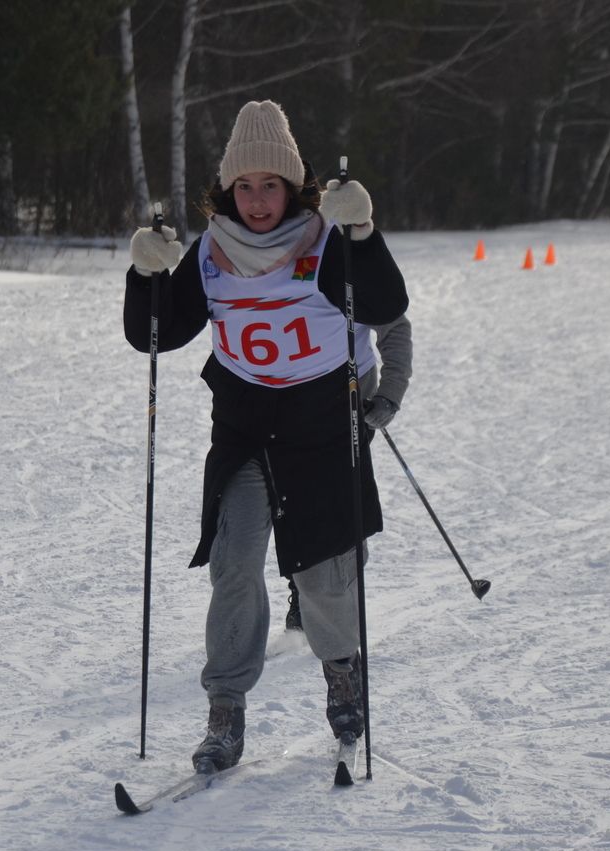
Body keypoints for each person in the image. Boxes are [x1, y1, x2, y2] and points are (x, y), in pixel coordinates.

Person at [122, 99, 410, 772]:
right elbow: (154, 335)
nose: (256, 200)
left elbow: (388, 306)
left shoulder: (325, 237)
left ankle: (342, 672)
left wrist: (363, 232)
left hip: (321, 425)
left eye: (270, 185)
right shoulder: (213, 253)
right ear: (227, 190)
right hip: (246, 426)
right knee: (235, 566)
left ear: (294, 186)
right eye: (244, 186)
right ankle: (225, 712)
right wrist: (144, 274)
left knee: (325, 576)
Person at [283, 313, 413, 633]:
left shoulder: (355, 264)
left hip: (349, 395)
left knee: (339, 498)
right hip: (282, 397)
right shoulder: (267, 263)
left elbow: (393, 324)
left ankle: (343, 590)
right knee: (295, 498)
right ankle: (304, 590)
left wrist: (389, 395)